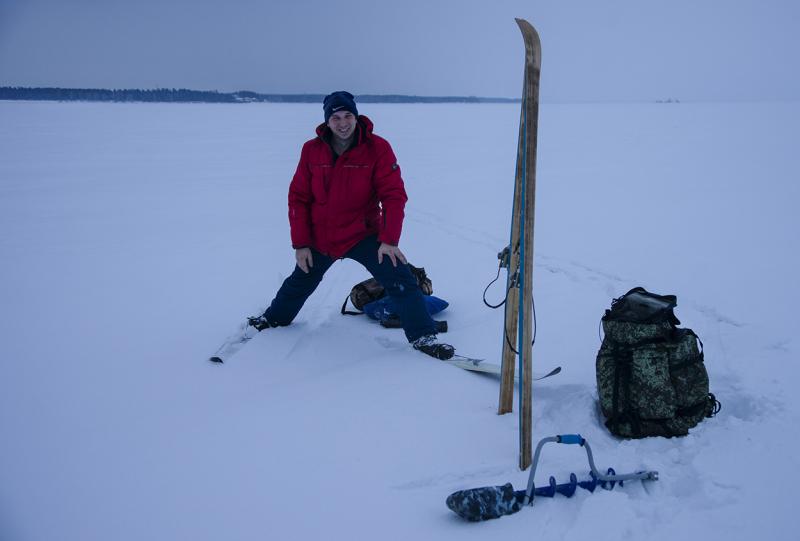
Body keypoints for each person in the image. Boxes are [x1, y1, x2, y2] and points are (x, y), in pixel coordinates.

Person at [247, 91, 455, 360]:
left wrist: (389, 240)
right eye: (336, 117)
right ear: (327, 121)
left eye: (348, 116)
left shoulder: (377, 148)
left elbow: (393, 195)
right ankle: (274, 319)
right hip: (322, 235)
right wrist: (301, 244)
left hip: (363, 233)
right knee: (299, 281)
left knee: (400, 278)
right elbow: (298, 198)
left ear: (356, 117)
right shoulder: (311, 150)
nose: (343, 123)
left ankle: (423, 335)